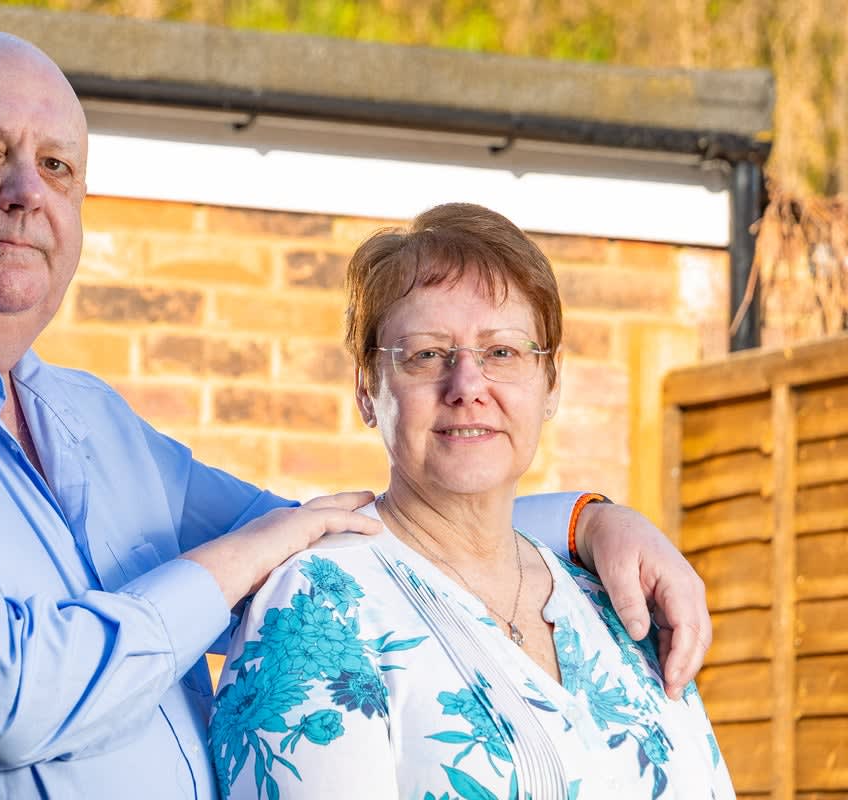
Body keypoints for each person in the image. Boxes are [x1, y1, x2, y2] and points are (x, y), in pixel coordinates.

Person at [0, 32, 709, 800]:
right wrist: (246, 554)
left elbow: (367, 531)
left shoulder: (84, 421)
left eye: (61, 166)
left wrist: (581, 520)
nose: (30, 192)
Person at [210, 203, 733, 799]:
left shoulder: (614, 604)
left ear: (551, 383)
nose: (467, 387)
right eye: (427, 354)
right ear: (366, 388)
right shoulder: (314, 606)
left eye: (503, 353)